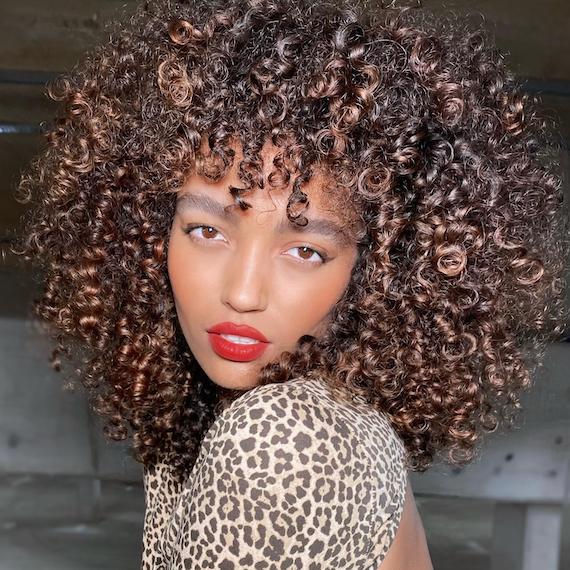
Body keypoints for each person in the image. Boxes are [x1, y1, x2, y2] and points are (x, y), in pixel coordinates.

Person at [11, 0, 569, 568]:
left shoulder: (280, 443)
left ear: (376, 270)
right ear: (148, 232)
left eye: (304, 250)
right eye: (206, 230)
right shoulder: (231, 417)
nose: (244, 293)